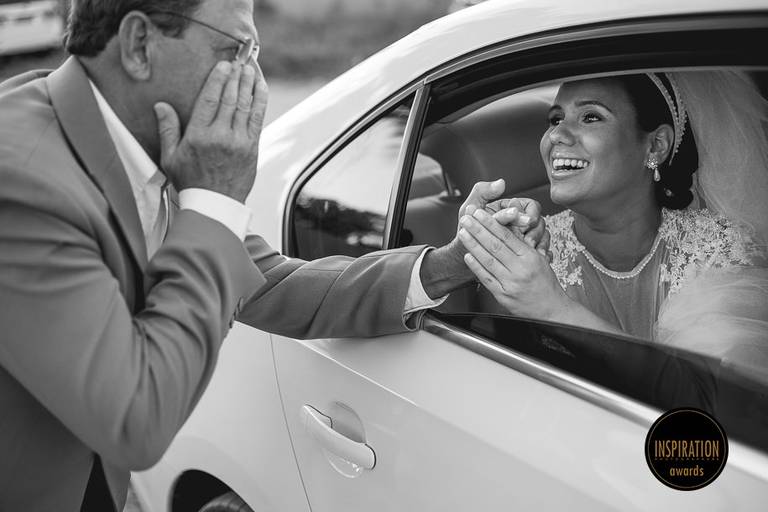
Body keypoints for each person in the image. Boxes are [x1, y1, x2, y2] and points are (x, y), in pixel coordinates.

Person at [0, 1, 547, 510]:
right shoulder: (20, 178)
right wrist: (213, 200)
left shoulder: (142, 143)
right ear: (140, 43)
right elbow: (135, 421)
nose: (254, 82)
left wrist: (449, 263)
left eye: (255, 56)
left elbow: (273, 285)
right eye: (235, 50)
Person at [457, 70, 768, 363]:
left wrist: (551, 308)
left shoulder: (720, 249)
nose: (556, 135)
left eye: (590, 117)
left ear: (656, 145)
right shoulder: (523, 250)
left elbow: (707, 398)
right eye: (555, 119)